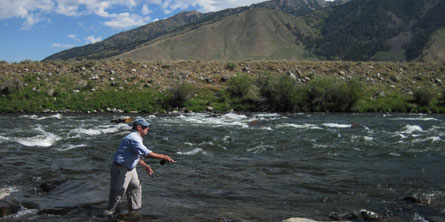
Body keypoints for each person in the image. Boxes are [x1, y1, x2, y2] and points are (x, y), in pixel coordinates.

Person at [105, 118, 175, 215]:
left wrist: (145, 165)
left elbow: (134, 156)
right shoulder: (133, 138)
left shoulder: (137, 138)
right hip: (120, 169)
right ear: (139, 127)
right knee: (117, 195)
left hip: (130, 169)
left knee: (136, 188)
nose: (148, 129)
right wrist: (164, 156)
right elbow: (146, 153)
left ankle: (134, 213)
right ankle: (109, 214)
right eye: (145, 127)